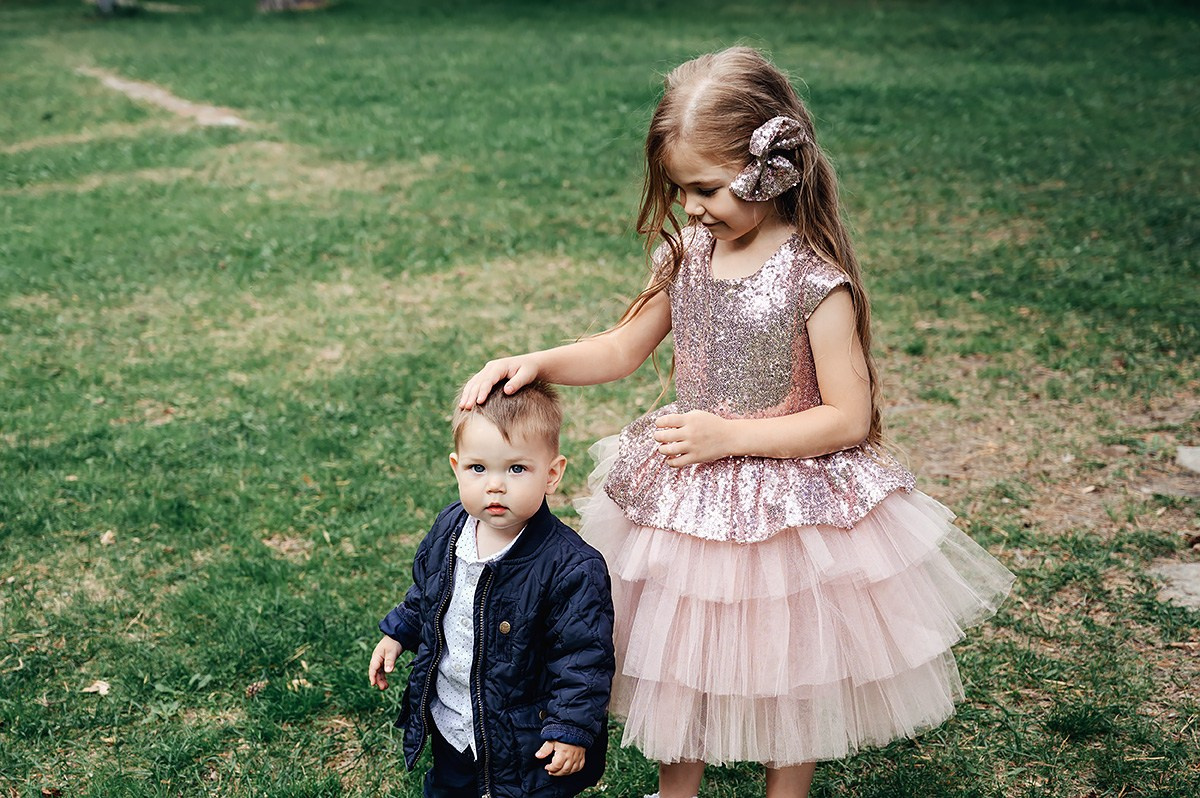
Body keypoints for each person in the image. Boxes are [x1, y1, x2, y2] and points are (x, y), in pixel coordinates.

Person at [458, 46, 1015, 798]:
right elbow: (623, 347)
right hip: (689, 496)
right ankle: (675, 791)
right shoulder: (689, 253)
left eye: (707, 188)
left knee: (790, 664)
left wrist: (731, 436)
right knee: (680, 653)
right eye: (680, 189)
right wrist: (536, 361)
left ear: (773, 169)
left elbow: (847, 418)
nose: (691, 206)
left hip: (788, 503)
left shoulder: (815, 280)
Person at [368, 380, 615, 798]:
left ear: (552, 474)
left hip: (526, 738)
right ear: (456, 467)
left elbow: (583, 658)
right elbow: (427, 592)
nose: (495, 485)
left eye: (516, 468)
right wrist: (399, 631)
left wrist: (570, 728)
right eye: (478, 468)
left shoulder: (572, 568)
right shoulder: (450, 529)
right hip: (454, 720)